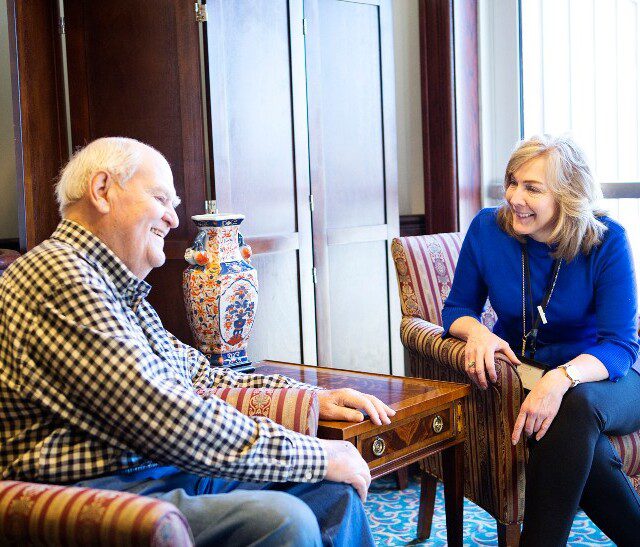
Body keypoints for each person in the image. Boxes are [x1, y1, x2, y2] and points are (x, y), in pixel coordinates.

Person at [0, 137, 396, 546]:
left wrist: (311, 398)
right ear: (102, 191)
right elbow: (166, 414)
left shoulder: (115, 288)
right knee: (285, 520)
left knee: (331, 495)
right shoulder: (60, 275)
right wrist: (316, 455)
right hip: (90, 494)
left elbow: (200, 377)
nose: (174, 219)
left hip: (155, 472)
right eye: (161, 199)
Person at [441, 134, 640, 546]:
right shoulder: (487, 229)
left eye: (532, 188)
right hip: (526, 377)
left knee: (576, 405)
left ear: (567, 197)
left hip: (612, 378)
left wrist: (561, 378)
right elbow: (456, 309)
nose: (515, 197)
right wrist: (476, 331)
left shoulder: (607, 241)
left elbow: (620, 345)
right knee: (585, 443)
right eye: (513, 182)